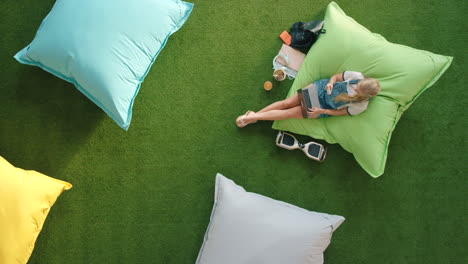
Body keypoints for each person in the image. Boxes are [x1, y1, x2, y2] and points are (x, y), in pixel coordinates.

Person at [236, 71, 381, 127]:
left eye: (358, 90)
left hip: (322, 106)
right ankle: (254, 117)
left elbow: (339, 113)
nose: (355, 88)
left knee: (287, 113)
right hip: (320, 88)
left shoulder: (361, 106)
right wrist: (331, 83)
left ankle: (252, 117)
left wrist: (321, 111)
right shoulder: (357, 77)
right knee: (286, 103)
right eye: (358, 86)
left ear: (365, 95)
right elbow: (336, 77)